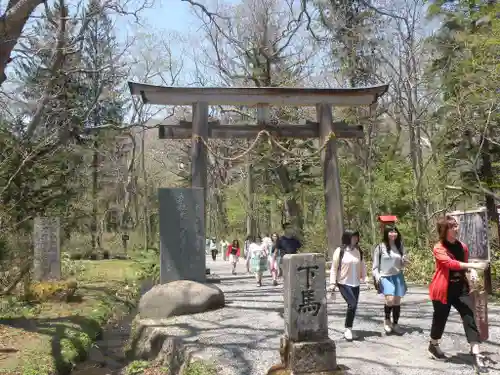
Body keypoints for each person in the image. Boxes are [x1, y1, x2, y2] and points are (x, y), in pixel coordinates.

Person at [427, 215, 489, 373]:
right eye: (453, 226)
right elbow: (450, 264)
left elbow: (464, 267)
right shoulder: (439, 247)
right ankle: (433, 344)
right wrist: (472, 265)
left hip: (460, 288)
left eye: (457, 226)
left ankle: (476, 354)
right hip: (443, 289)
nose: (457, 228)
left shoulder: (463, 247)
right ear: (445, 229)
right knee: (440, 319)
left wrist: (472, 270)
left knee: (469, 316)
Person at [329, 229, 367, 341]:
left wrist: (365, 279)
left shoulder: (358, 250)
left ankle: (349, 328)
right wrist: (332, 283)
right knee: (352, 304)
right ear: (347, 237)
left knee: (353, 307)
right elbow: (334, 268)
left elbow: (362, 265)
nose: (356, 239)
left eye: (357, 237)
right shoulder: (340, 251)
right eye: (353, 237)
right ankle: (348, 329)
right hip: (343, 282)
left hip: (356, 283)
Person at [372, 225, 408, 335]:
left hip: (397, 276)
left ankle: (395, 324)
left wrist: (405, 262)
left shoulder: (400, 246)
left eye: (395, 232)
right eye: (391, 232)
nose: (393, 234)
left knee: (397, 301)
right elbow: (375, 266)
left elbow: (402, 264)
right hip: (385, 277)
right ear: (386, 233)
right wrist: (378, 277)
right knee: (389, 299)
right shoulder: (379, 247)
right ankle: (387, 320)